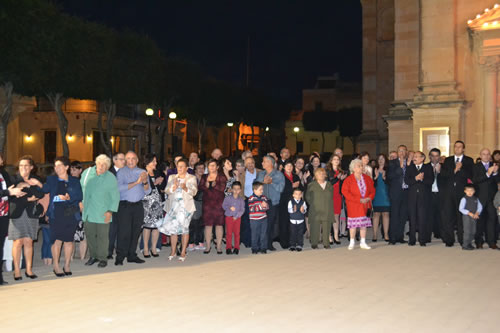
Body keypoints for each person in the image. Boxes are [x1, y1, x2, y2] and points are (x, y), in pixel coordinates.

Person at [43, 156, 83, 277]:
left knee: (68, 240)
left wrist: (69, 197)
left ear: (66, 167)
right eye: (55, 166)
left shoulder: (74, 181)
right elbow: (44, 190)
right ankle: (56, 265)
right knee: (56, 240)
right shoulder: (51, 179)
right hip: (56, 214)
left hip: (71, 213)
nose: (57, 168)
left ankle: (67, 265)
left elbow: (79, 196)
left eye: (60, 165)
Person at [8, 155, 45, 281]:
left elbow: (40, 194)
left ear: (31, 167)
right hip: (17, 213)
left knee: (29, 241)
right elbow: (11, 197)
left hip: (31, 213)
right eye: (21, 165)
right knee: (18, 242)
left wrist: (30, 186)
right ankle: (17, 270)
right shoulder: (13, 179)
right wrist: (28, 198)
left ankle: (29, 269)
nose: (23, 168)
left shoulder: (35, 179)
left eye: (26, 165)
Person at [81, 154, 120, 268]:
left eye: (105, 165)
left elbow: (115, 196)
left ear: (108, 167)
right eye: (100, 164)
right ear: (96, 163)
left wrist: (110, 211)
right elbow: (80, 188)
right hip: (88, 211)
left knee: (103, 237)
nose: (102, 167)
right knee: (90, 236)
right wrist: (79, 201)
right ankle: (93, 256)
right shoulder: (87, 173)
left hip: (103, 212)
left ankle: (103, 258)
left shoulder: (110, 177)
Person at [115, 151, 151, 265]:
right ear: (125, 160)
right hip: (125, 205)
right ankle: (120, 257)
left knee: (136, 232)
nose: (131, 161)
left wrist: (145, 182)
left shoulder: (142, 172)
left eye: (133, 158)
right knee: (124, 232)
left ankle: (131, 255)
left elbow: (148, 191)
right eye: (128, 159)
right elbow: (119, 188)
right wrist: (136, 182)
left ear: (137, 160)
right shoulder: (121, 172)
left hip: (138, 206)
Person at [0, 154, 31, 284]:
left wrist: (18, 192)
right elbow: (7, 192)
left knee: (0, 245)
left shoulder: (3, 172)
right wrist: (9, 193)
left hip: (3, 214)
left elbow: (10, 190)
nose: (1, 160)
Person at [160, 158, 198, 262]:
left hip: (186, 207)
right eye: (178, 166)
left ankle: (183, 252)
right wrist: (174, 187)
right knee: (173, 230)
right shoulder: (172, 177)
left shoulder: (191, 178)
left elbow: (194, 191)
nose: (179, 168)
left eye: (182, 166)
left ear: (186, 168)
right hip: (174, 206)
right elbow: (167, 190)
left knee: (184, 229)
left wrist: (186, 188)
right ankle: (173, 251)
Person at [440, 140, 474, 247]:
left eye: (460, 147)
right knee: (448, 216)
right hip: (449, 191)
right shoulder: (448, 160)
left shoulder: (469, 160)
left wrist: (460, 169)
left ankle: (462, 239)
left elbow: (471, 175)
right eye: (456, 147)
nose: (457, 149)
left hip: (462, 192)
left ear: (463, 149)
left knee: (461, 216)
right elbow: (443, 174)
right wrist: (455, 170)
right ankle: (449, 239)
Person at [342, 159, 375, 250]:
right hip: (353, 205)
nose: (361, 167)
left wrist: (369, 198)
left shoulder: (367, 178)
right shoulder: (348, 179)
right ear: (353, 168)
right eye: (359, 166)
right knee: (353, 225)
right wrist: (358, 200)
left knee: (363, 224)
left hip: (365, 204)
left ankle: (363, 242)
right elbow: (345, 192)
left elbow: (372, 190)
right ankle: (352, 242)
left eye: (361, 166)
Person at [405, 151, 433, 246]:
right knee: (412, 218)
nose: (414, 158)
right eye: (414, 156)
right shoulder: (410, 168)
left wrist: (422, 179)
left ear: (422, 158)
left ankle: (422, 240)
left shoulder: (428, 167)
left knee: (422, 218)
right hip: (411, 196)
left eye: (417, 156)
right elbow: (406, 180)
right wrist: (415, 179)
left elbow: (431, 181)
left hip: (423, 196)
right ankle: (412, 239)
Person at [472, 148, 499, 249]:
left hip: (492, 198)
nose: (486, 156)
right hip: (480, 197)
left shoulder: (495, 166)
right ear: (480, 155)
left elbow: (498, 180)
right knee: (480, 220)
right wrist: (488, 174)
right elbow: (475, 180)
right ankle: (479, 241)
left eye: (488, 154)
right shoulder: (476, 166)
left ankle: (491, 241)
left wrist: (495, 173)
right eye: (484, 154)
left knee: (492, 220)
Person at [256, 155, 285, 250]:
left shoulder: (278, 175)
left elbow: (281, 189)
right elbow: (255, 187)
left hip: (273, 202)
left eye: (264, 161)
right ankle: (261, 243)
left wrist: (271, 183)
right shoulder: (261, 174)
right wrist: (264, 182)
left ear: (270, 163)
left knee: (270, 223)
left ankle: (268, 243)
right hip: (261, 202)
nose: (262, 163)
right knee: (261, 223)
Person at [199, 159, 227, 254]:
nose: (211, 167)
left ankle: (218, 246)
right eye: (210, 165)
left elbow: (223, 188)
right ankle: (207, 246)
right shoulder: (204, 176)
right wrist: (205, 186)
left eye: (213, 165)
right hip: (207, 204)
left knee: (219, 225)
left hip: (219, 204)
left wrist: (214, 185)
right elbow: (200, 187)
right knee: (208, 225)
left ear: (217, 167)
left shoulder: (221, 177)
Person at [141, 154, 164, 258]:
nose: (156, 163)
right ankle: (145, 248)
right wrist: (155, 183)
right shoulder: (142, 173)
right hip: (147, 203)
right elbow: (144, 188)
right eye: (153, 161)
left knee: (156, 226)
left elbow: (163, 186)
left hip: (157, 202)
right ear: (147, 162)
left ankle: (154, 248)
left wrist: (161, 183)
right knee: (147, 226)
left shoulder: (158, 172)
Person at [306, 168, 334, 249]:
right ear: (315, 175)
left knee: (326, 226)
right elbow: (307, 196)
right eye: (319, 174)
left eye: (322, 173)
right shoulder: (311, 185)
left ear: (325, 175)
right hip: (315, 209)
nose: (321, 175)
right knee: (315, 226)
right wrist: (313, 204)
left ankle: (326, 243)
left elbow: (331, 195)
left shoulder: (329, 184)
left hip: (327, 208)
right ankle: (314, 243)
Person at [387, 145, 410, 244]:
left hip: (406, 193)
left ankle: (400, 237)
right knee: (395, 215)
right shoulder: (392, 163)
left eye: (403, 151)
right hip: (396, 193)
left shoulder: (410, 163)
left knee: (403, 216)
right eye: (399, 151)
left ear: (406, 152)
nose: (401, 153)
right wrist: (400, 168)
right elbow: (390, 177)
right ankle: (392, 238)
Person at [278, 160, 300, 249]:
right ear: (283, 167)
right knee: (284, 222)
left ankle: (292, 241)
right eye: (287, 165)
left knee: (293, 222)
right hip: (283, 202)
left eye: (291, 165)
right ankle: (284, 242)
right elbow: (280, 189)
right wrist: (291, 186)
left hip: (294, 202)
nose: (289, 167)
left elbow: (300, 187)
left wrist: (296, 186)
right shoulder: (280, 176)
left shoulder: (295, 176)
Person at [240, 156, 260, 248]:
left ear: (254, 163)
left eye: (251, 162)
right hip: (247, 200)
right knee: (247, 222)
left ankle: (258, 241)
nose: (250, 165)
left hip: (259, 200)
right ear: (245, 165)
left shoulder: (260, 172)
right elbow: (240, 188)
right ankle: (247, 241)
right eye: (248, 164)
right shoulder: (242, 174)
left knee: (259, 221)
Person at [326, 154, 346, 244]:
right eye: (334, 159)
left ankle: (336, 236)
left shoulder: (341, 171)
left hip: (338, 196)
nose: (336, 161)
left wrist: (342, 180)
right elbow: (327, 184)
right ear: (331, 161)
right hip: (329, 196)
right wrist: (337, 179)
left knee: (336, 216)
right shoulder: (327, 171)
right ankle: (329, 236)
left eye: (338, 159)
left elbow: (342, 186)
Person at [108, 152, 125, 259]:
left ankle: (120, 251)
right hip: (111, 205)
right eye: (121, 159)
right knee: (112, 229)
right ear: (115, 160)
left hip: (124, 204)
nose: (124, 161)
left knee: (122, 229)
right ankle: (108, 251)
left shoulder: (127, 172)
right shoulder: (109, 173)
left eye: (124, 159)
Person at [222, 181, 245, 255]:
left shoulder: (241, 200)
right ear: (231, 189)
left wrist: (237, 216)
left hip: (237, 218)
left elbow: (242, 209)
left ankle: (236, 247)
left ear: (240, 190)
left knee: (237, 233)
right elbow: (224, 206)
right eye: (234, 189)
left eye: (238, 189)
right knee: (228, 233)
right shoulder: (228, 198)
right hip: (229, 217)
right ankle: (228, 248)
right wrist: (229, 207)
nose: (236, 191)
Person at [70, 160, 87, 260]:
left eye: (75, 169)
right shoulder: (68, 181)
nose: (72, 171)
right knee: (70, 236)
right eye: (71, 169)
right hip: (71, 210)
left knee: (82, 236)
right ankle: (70, 256)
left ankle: (82, 257)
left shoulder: (84, 181)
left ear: (80, 170)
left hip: (82, 210)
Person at [372, 154, 390, 242]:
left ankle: (386, 234)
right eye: (379, 159)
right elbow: (371, 184)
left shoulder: (388, 170)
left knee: (386, 214)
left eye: (382, 158)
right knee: (376, 215)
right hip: (376, 195)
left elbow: (390, 182)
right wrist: (375, 177)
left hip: (386, 195)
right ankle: (375, 234)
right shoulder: (374, 170)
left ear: (385, 160)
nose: (380, 160)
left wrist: (384, 177)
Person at [188, 162, 206, 251]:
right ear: (195, 170)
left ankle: (200, 242)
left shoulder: (206, 178)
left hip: (204, 202)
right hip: (193, 202)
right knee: (193, 223)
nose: (201, 170)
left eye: (203, 168)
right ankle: (191, 242)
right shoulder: (191, 178)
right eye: (199, 168)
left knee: (201, 223)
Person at [459, 185, 483, 250]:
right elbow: (461, 208)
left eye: (471, 191)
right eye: (468, 191)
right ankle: (465, 245)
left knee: (473, 231)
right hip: (467, 216)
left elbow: (480, 207)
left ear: (474, 191)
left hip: (474, 217)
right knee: (467, 231)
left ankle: (469, 243)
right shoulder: (464, 199)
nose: (469, 192)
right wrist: (469, 213)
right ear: (465, 191)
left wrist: (477, 213)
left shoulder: (476, 199)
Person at [248, 182, 269, 254]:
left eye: (262, 189)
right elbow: (251, 209)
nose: (262, 191)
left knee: (263, 233)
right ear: (254, 190)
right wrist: (261, 206)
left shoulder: (264, 197)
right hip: (254, 220)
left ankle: (263, 248)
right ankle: (254, 248)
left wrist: (265, 206)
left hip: (263, 218)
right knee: (255, 234)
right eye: (260, 189)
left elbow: (266, 208)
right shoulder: (251, 198)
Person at [428, 148, 442, 239]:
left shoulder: (443, 166)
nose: (435, 158)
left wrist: (440, 172)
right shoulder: (425, 166)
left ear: (439, 157)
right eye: (432, 156)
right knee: (429, 215)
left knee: (440, 214)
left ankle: (439, 233)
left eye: (437, 156)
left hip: (440, 193)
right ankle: (428, 234)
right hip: (429, 194)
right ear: (429, 157)